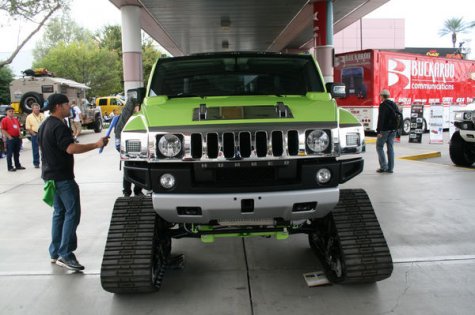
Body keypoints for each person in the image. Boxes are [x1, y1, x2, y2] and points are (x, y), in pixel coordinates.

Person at [38, 93, 109, 271]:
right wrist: (96, 145)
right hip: (63, 179)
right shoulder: (59, 127)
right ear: (58, 107)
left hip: (50, 177)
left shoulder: (44, 125)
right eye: (67, 105)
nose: (70, 107)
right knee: (72, 214)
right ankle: (66, 253)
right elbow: (70, 148)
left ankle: (55, 252)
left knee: (59, 213)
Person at [115, 99, 143, 197]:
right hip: (127, 145)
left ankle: (136, 190)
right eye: (139, 106)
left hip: (137, 144)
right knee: (130, 167)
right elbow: (119, 134)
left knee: (138, 167)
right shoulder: (127, 117)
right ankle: (128, 191)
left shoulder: (133, 116)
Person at [376, 89, 400, 174]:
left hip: (385, 130)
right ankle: (390, 168)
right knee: (390, 148)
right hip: (393, 130)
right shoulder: (394, 104)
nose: (380, 97)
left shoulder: (383, 105)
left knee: (379, 147)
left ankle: (383, 167)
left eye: (380, 96)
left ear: (382, 96)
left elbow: (381, 119)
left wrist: (378, 131)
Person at [1, 106, 25, 172]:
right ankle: (10, 167)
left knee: (17, 153)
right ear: (6, 112)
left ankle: (18, 165)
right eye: (10, 111)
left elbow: (18, 128)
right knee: (10, 153)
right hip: (11, 139)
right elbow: (2, 129)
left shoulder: (15, 119)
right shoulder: (4, 120)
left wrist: (20, 135)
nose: (11, 112)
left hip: (17, 138)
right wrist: (9, 136)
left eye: (12, 111)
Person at [25, 103, 45, 168]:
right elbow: (28, 127)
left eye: (38, 108)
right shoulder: (29, 117)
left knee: (44, 149)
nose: (37, 109)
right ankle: (36, 163)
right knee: (35, 149)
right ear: (32, 109)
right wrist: (33, 134)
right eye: (35, 108)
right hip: (35, 134)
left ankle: (45, 162)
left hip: (43, 134)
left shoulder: (42, 115)